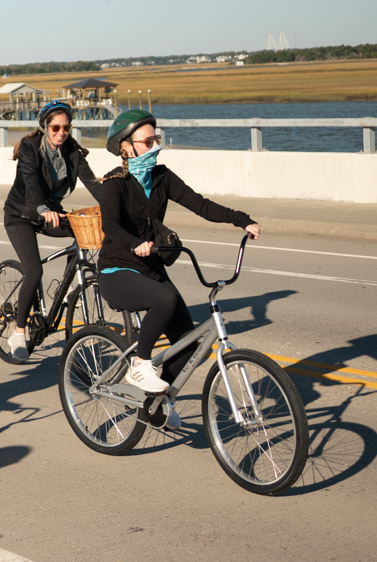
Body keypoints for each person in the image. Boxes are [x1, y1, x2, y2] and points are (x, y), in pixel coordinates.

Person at [93, 109, 261, 406]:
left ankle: (156, 406)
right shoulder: (114, 184)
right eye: (148, 142)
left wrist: (242, 220)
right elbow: (111, 226)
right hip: (117, 269)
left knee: (188, 347)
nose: (155, 146)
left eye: (156, 139)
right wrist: (134, 243)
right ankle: (139, 364)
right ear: (126, 147)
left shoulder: (162, 177)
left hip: (151, 268)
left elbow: (201, 205)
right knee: (165, 299)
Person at [0, 100, 95, 358]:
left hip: (50, 214)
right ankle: (19, 333)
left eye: (66, 128)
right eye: (56, 128)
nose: (61, 133)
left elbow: (93, 183)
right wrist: (42, 207)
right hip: (21, 216)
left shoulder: (72, 152)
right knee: (34, 271)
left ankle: (67, 291)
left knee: (83, 234)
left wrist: (113, 205)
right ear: (45, 127)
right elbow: (31, 179)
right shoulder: (30, 147)